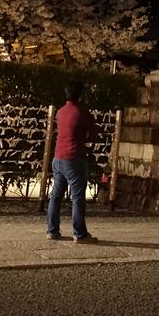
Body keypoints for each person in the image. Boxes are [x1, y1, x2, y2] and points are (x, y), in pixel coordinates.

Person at [46, 81, 98, 243]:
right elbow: (94, 135)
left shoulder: (60, 112)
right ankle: (79, 233)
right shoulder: (82, 113)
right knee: (77, 198)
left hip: (58, 158)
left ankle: (52, 230)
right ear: (80, 95)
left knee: (56, 196)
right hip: (74, 158)